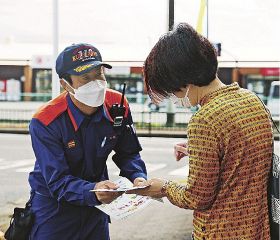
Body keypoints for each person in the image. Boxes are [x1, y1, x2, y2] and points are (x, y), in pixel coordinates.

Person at [129, 23, 273, 239]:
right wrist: (199, 149)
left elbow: (197, 197)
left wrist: (164, 187)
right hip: (259, 228)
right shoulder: (251, 99)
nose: (173, 98)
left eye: (170, 91)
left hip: (221, 231)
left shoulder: (204, 119)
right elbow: (244, 151)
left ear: (183, 81)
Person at [28, 43, 147, 240]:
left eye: (99, 74)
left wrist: (137, 176)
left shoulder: (117, 105)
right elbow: (57, 182)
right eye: (85, 78)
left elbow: (128, 152)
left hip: (96, 207)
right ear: (65, 84)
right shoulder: (45, 121)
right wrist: (94, 191)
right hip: (54, 210)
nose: (96, 83)